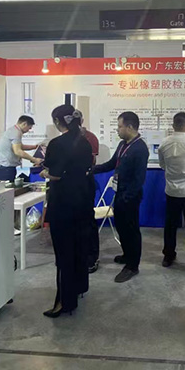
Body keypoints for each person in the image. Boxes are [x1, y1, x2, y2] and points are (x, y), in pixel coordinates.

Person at [40, 105, 94, 318]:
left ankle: (64, 302)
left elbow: (55, 173)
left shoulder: (57, 144)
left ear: (57, 121)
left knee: (64, 254)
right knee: (80, 248)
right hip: (83, 200)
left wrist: (45, 173)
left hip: (63, 203)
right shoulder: (85, 141)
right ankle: (79, 288)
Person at [94, 112, 148, 283]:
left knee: (131, 230)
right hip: (120, 193)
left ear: (130, 127)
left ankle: (133, 266)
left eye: (120, 126)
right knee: (122, 228)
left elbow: (139, 179)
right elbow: (112, 164)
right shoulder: (123, 144)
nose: (117, 130)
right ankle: (127, 255)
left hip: (130, 196)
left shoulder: (140, 148)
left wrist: (127, 197)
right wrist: (92, 169)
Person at [158, 112, 185, 273]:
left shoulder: (164, 144)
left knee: (170, 226)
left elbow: (162, 165)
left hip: (171, 190)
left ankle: (168, 257)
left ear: (173, 125)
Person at [80, 123, 102, 274]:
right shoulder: (63, 140)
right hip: (70, 188)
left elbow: (92, 162)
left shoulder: (90, 138)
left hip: (85, 184)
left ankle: (91, 259)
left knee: (88, 221)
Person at [0, 115, 41, 181]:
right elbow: (18, 151)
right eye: (29, 128)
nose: (28, 130)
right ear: (24, 124)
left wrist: (34, 147)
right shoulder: (16, 133)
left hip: (3, 167)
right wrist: (34, 160)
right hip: (5, 168)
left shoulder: (13, 130)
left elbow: (19, 146)